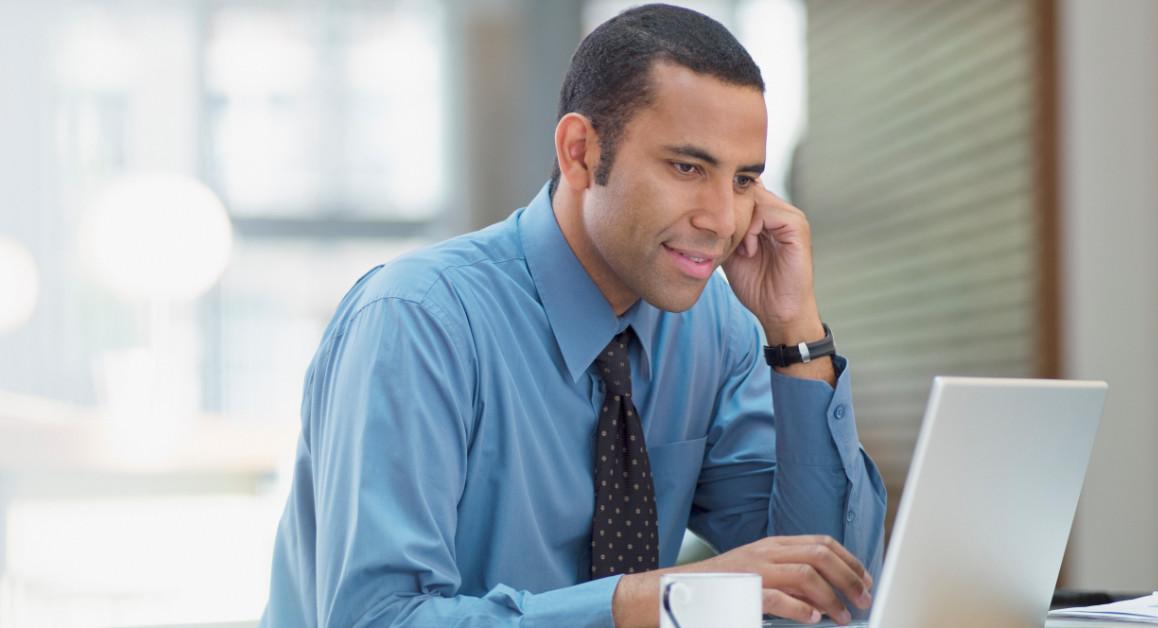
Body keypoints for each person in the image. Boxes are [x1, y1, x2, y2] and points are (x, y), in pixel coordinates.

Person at [261, 4, 886, 627]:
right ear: (580, 152)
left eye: (744, 180)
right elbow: (377, 619)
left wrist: (794, 332)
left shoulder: (714, 329)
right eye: (687, 168)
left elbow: (830, 598)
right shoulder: (416, 322)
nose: (722, 220)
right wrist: (639, 603)